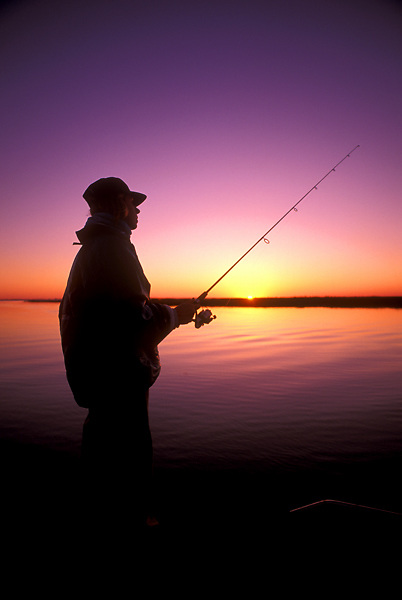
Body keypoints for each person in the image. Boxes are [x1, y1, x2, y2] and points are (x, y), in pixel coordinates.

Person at [59, 177, 197, 532]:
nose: (138, 211)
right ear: (119, 205)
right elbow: (131, 321)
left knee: (103, 456)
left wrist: (167, 313)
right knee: (126, 458)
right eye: (132, 203)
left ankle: (104, 518)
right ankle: (127, 526)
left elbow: (119, 309)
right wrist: (175, 316)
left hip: (101, 375)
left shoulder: (98, 247)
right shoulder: (112, 249)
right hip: (117, 378)